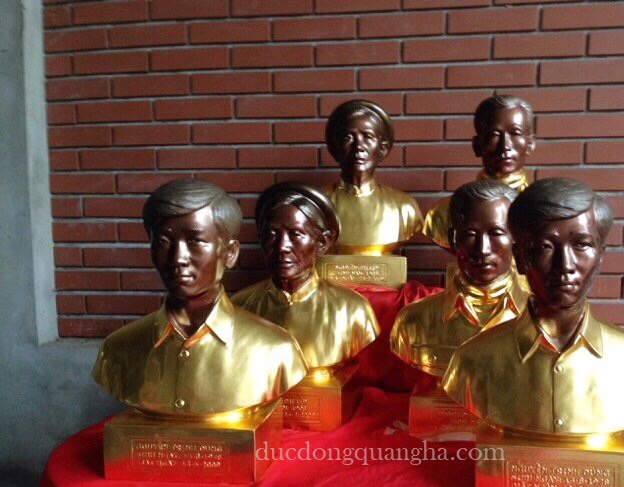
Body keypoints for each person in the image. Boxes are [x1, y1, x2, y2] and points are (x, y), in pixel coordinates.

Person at [442, 178, 624, 436]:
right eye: (545, 246)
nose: (565, 265)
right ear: (520, 258)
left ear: (601, 255)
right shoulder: (471, 363)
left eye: (581, 245)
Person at [92, 179, 308, 417]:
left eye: (195, 241)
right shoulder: (117, 350)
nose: (178, 258)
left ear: (230, 253)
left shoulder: (275, 351)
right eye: (163, 242)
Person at [233, 182, 379, 371]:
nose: (282, 246)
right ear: (261, 240)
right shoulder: (240, 307)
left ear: (322, 243)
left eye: (295, 234)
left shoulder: (352, 310)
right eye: (272, 235)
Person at [391, 180, 528, 378]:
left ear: (516, 239)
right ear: (453, 239)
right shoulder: (412, 322)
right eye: (470, 235)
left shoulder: (543, 322)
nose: (483, 249)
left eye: (496, 233)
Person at [423, 94, 536, 250]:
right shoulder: (443, 213)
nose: (505, 145)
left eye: (515, 133)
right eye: (494, 135)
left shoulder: (544, 211)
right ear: (477, 145)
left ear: (530, 143)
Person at [323, 99, 422, 255]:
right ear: (335, 149)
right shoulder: (317, 205)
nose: (358, 146)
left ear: (382, 149)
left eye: (368, 137)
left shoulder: (404, 207)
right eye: (348, 138)